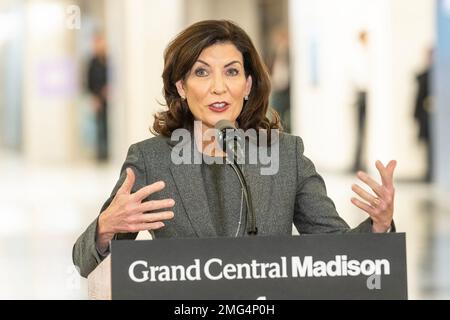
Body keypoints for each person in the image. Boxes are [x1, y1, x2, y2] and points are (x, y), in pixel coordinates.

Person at [73, 20, 397, 278]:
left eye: (231, 71)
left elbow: (337, 251)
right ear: (181, 87)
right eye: (201, 72)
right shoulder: (151, 160)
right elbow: (84, 261)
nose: (219, 87)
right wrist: (104, 229)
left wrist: (379, 225)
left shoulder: (286, 156)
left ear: (248, 85)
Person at [87, 32, 109, 161]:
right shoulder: (92, 62)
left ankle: (107, 153)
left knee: (107, 127)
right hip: (98, 100)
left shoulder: (108, 60)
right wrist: (95, 97)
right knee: (99, 127)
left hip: (109, 101)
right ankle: (100, 154)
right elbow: (89, 82)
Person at [350, 30, 370, 173]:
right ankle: (356, 162)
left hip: (364, 93)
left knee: (362, 130)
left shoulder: (366, 53)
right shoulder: (357, 54)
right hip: (360, 94)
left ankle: (359, 160)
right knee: (359, 130)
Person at [414, 49, 433, 182]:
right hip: (426, 117)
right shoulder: (424, 76)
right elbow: (418, 99)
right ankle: (429, 171)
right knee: (427, 146)